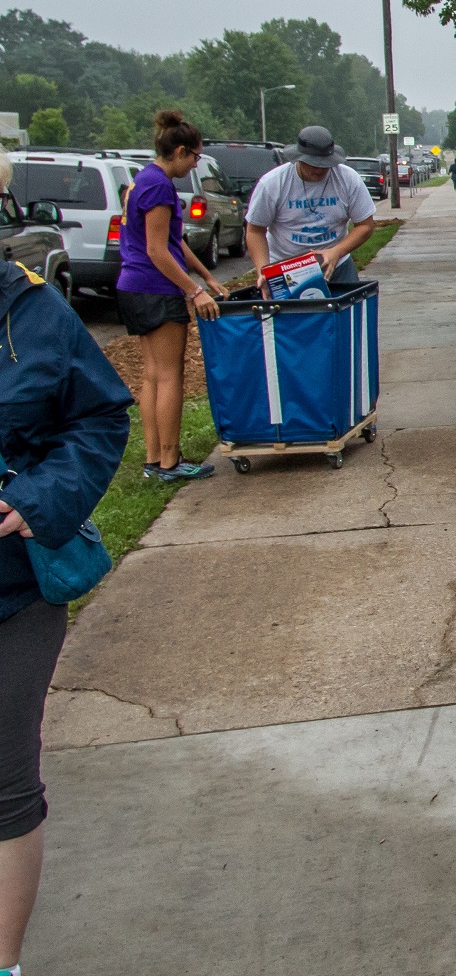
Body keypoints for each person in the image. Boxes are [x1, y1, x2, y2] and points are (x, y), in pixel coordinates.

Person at [0, 153, 132, 975]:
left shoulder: (33, 310)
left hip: (13, 591)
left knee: (6, 781)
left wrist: (39, 498)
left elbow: (97, 420)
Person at [116, 110, 227, 482]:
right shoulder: (160, 186)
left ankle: (153, 459)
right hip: (154, 288)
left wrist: (208, 276)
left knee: (151, 376)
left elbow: (173, 240)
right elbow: (157, 250)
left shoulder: (139, 181)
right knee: (169, 376)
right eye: (195, 157)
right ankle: (169, 462)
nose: (195, 163)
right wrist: (193, 291)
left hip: (132, 287)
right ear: (179, 151)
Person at [246, 125, 378, 292]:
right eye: (313, 164)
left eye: (325, 164)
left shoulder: (348, 179)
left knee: (344, 315)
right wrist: (263, 271)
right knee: (293, 317)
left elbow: (365, 225)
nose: (319, 169)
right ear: (299, 158)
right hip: (286, 269)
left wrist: (337, 252)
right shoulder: (273, 183)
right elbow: (255, 231)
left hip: (337, 266)